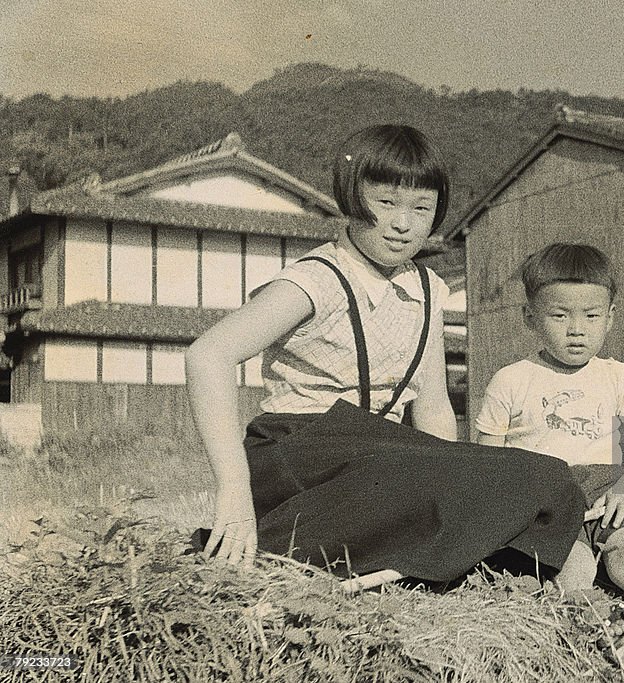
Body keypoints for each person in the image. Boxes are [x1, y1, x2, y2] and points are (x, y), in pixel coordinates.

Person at [186, 125, 585, 581]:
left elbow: (432, 404)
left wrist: (457, 479)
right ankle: (297, 545)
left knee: (546, 475)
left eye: (422, 209)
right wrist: (233, 492)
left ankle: (437, 567)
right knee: (424, 475)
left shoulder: (429, 290)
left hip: (385, 455)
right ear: (353, 198)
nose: (403, 224)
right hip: (302, 452)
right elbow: (207, 356)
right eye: (387, 203)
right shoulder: (315, 279)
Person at [475, 243, 624, 610]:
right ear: (529, 317)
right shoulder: (511, 380)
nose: (576, 330)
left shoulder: (616, 375)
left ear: (610, 317)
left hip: (611, 493)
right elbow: (487, 461)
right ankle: (589, 625)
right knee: (574, 565)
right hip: (548, 500)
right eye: (559, 316)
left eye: (591, 316)